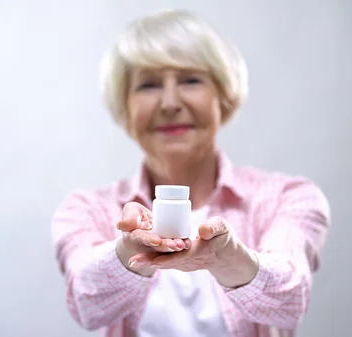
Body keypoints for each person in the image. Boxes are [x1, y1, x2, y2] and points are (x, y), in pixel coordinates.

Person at [51, 8, 331, 337]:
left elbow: (290, 302)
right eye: (148, 85)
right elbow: (88, 306)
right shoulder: (85, 209)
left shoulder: (288, 198)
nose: (170, 102)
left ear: (223, 97)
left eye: (190, 80)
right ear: (124, 107)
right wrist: (127, 253)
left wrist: (228, 260)